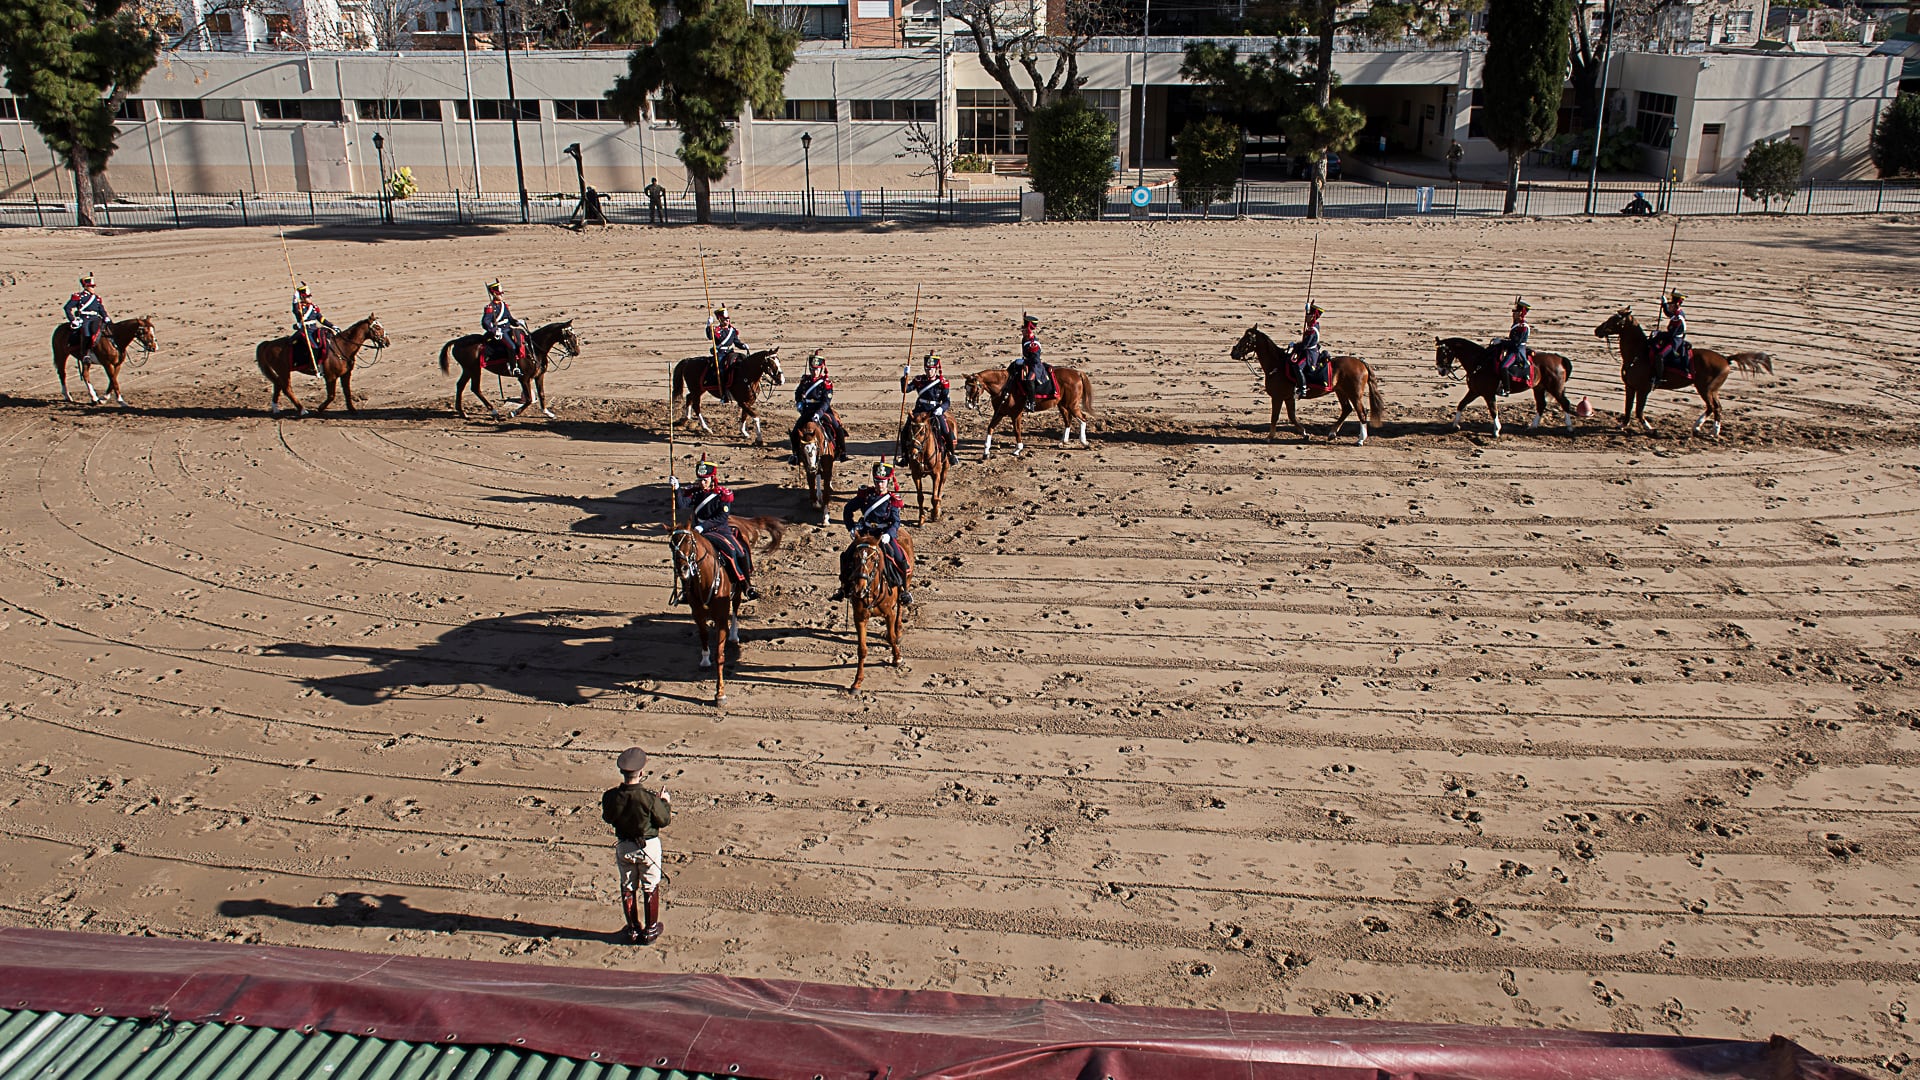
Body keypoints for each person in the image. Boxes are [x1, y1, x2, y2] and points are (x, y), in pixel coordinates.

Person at [602, 746, 671, 945]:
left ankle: (633, 929)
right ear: (641, 773)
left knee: (628, 887)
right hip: (647, 847)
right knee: (650, 886)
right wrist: (664, 802)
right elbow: (664, 820)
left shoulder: (611, 797)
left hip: (624, 846)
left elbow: (608, 817)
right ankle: (650, 930)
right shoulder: (648, 799)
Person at [674, 459, 760, 600]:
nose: (702, 483)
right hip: (699, 532)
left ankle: (746, 585)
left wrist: (703, 526)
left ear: (712, 479)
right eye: (700, 480)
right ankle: (686, 589)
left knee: (737, 551)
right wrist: (676, 488)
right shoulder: (695, 493)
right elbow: (681, 505)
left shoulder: (722, 495)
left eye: (705, 480)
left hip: (719, 530)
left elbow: (721, 517)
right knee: (683, 555)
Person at [834, 461, 912, 605]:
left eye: (882, 482)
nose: (879, 485)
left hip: (883, 535)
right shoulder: (866, 496)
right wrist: (851, 528)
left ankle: (904, 590)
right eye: (877, 481)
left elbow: (896, 522)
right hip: (865, 532)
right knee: (847, 557)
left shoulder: (892, 500)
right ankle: (843, 587)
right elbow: (848, 510)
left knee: (900, 559)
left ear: (887, 482)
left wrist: (889, 534)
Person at [791, 349, 849, 463]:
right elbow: (798, 393)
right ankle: (796, 455)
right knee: (794, 432)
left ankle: (842, 452)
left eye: (817, 370)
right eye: (813, 369)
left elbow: (826, 401)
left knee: (838, 428)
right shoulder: (805, 381)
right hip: (807, 411)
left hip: (823, 411)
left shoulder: (825, 383)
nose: (815, 372)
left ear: (821, 369)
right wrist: (799, 403)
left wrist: (819, 413)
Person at [900, 352, 957, 465]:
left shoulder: (942, 382)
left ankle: (951, 453)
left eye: (931, 369)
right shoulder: (919, 380)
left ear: (936, 369)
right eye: (927, 369)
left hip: (934, 411)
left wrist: (941, 409)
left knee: (946, 430)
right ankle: (905, 456)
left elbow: (946, 401)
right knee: (905, 430)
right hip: (919, 410)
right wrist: (905, 377)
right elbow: (905, 389)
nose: (929, 371)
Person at [480, 279, 528, 374]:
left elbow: (509, 318)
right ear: (494, 294)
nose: (501, 295)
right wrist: (494, 330)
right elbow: (486, 322)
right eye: (499, 294)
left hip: (509, 328)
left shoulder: (504, 305)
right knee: (511, 346)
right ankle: (514, 367)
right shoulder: (490, 307)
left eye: (501, 294)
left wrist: (517, 322)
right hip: (501, 331)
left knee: (522, 339)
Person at [705, 307, 747, 404]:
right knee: (721, 370)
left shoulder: (732, 330)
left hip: (730, 353)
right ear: (720, 319)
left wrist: (743, 345)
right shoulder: (716, 330)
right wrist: (708, 325)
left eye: (728, 319)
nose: (727, 321)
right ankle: (723, 393)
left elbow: (736, 342)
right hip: (720, 353)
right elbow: (710, 337)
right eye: (725, 319)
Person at [1492, 297, 1531, 394]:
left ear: (1521, 313)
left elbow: (1515, 343)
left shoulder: (1522, 326)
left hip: (1516, 351)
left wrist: (1501, 342)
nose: (1513, 314)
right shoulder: (1517, 324)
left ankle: (1506, 389)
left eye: (1516, 312)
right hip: (1512, 347)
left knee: (1504, 367)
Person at [62, 273, 109, 353]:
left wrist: (105, 316)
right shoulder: (79, 297)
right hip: (85, 319)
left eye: (93, 286)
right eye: (91, 286)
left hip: (96, 318)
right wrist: (73, 320)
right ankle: (86, 353)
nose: (93, 288)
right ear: (86, 286)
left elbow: (101, 309)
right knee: (86, 334)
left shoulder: (96, 298)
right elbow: (67, 308)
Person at [1013, 314, 1048, 412]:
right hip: (1027, 364)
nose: (1022, 331)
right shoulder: (1025, 339)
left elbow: (1035, 360)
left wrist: (1024, 361)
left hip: (1034, 366)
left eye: (1023, 330)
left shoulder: (1033, 344)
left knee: (1029, 380)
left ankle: (1031, 402)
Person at [292, 283, 331, 368]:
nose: (310, 298)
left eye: (310, 296)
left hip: (315, 329)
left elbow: (321, 319)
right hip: (306, 330)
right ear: (302, 297)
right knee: (314, 347)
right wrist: (295, 298)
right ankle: (314, 366)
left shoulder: (314, 307)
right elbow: (295, 311)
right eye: (308, 297)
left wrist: (332, 326)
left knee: (327, 343)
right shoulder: (300, 307)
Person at [1652, 290, 1689, 374]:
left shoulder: (1678, 317)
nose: (1669, 306)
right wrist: (1664, 304)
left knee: (1659, 356)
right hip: (1673, 337)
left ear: (1676, 304)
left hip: (1675, 341)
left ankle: (1658, 378)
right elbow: (1668, 313)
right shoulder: (1676, 313)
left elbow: (1671, 335)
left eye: (1671, 304)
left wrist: (1659, 334)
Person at [1291, 302, 1324, 391]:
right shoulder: (1314, 325)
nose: (1306, 317)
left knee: (1298, 367)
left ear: (1313, 316)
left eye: (1308, 315)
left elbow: (1305, 344)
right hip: (1312, 350)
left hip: (1310, 354)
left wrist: (1295, 346)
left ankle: (1303, 387)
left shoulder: (1311, 329)